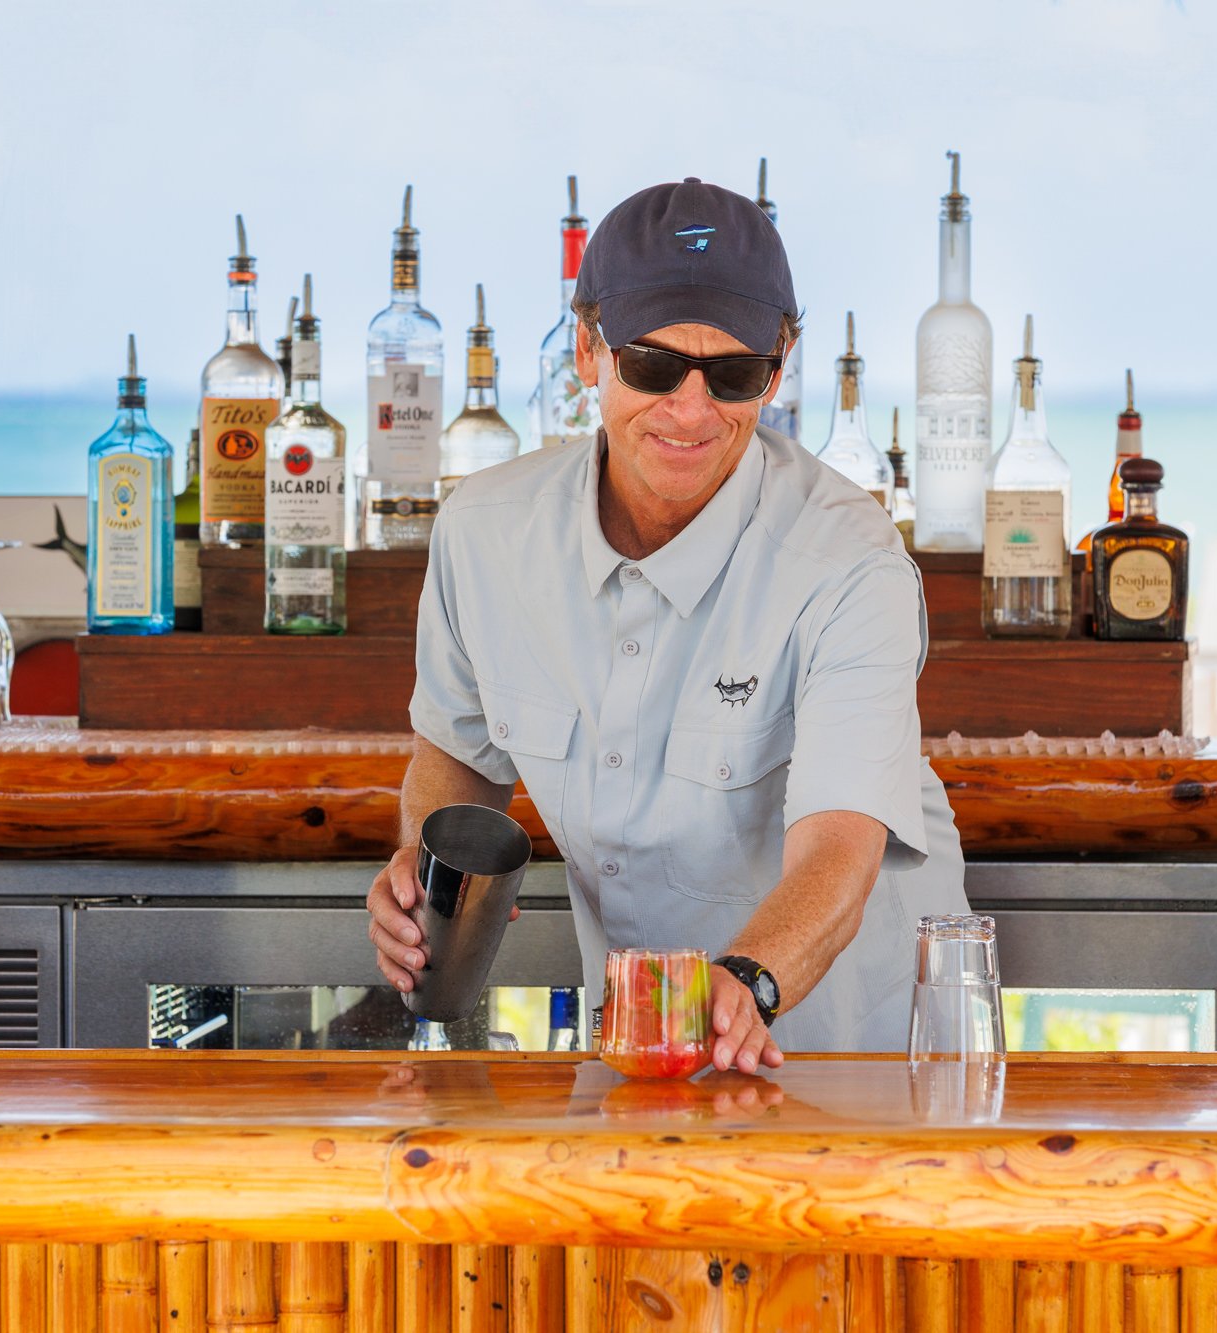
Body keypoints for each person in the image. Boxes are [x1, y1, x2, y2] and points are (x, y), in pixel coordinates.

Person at [367, 177, 967, 1070]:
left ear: (781, 359)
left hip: (851, 1061)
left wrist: (745, 985)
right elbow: (457, 759)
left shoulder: (850, 561)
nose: (689, 412)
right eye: (651, 366)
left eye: (732, 374)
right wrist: (424, 864)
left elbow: (840, 845)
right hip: (637, 1052)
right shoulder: (484, 534)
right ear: (587, 349)